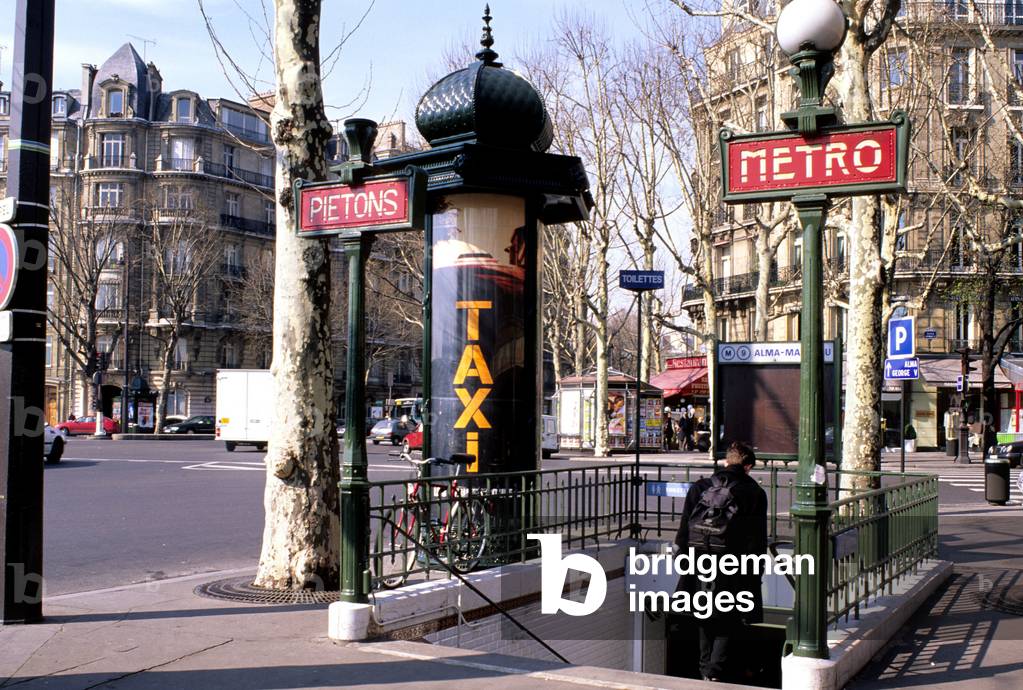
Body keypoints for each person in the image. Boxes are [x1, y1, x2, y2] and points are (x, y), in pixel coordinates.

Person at [673, 441, 767, 682]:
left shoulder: (701, 486)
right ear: (747, 466)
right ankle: (714, 672)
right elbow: (756, 538)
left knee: (703, 615)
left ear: (727, 461)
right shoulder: (754, 492)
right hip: (733, 563)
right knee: (729, 617)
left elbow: (685, 526)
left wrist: (683, 556)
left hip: (700, 559)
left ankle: (705, 668)